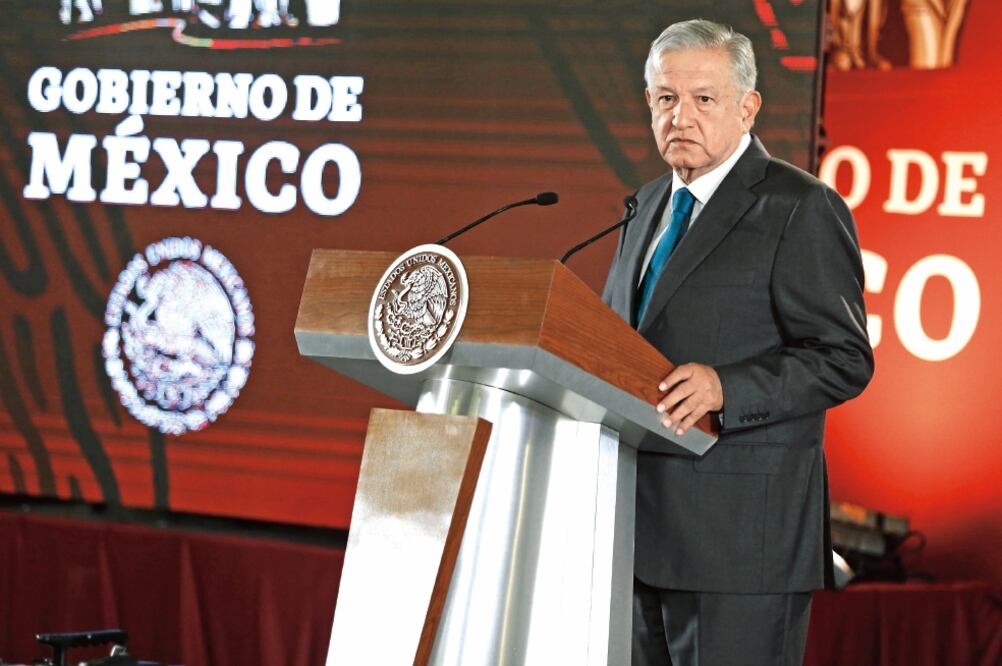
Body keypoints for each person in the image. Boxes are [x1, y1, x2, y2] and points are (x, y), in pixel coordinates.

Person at [601, 19, 874, 666]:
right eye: (666, 98)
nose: (681, 116)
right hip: (632, 539)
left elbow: (844, 358)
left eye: (704, 98)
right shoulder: (643, 207)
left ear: (747, 107)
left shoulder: (799, 207)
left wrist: (727, 388)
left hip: (742, 549)